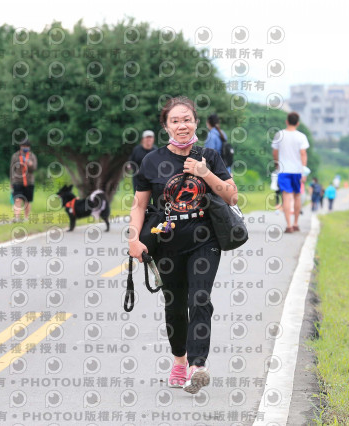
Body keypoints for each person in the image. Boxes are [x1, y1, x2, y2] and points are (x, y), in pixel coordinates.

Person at [129, 96, 237, 395]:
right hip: (167, 243)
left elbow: (231, 196)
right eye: (175, 121)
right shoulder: (151, 161)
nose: (182, 125)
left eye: (187, 119)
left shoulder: (209, 156)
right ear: (166, 126)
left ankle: (197, 366)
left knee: (199, 297)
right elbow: (139, 206)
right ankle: (179, 360)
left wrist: (204, 173)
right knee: (175, 304)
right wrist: (133, 238)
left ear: (196, 123)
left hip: (206, 240)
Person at [271, 112, 309, 233]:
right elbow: (303, 154)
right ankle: (296, 223)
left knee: (286, 197)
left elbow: (275, 153)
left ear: (286, 121)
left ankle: (288, 225)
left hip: (283, 170)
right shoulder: (301, 136)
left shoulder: (279, 134)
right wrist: (303, 171)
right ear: (297, 123)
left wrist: (277, 164)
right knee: (297, 196)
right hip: (297, 171)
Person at [10, 139, 37, 222]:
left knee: (27, 201)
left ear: (29, 147)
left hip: (29, 182)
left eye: (26, 146)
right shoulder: (15, 156)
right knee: (17, 199)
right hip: (17, 181)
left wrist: (30, 164)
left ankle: (26, 218)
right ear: (20, 146)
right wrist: (11, 181)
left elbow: (35, 168)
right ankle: (17, 218)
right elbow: (12, 169)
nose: (24, 148)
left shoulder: (32, 156)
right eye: (23, 146)